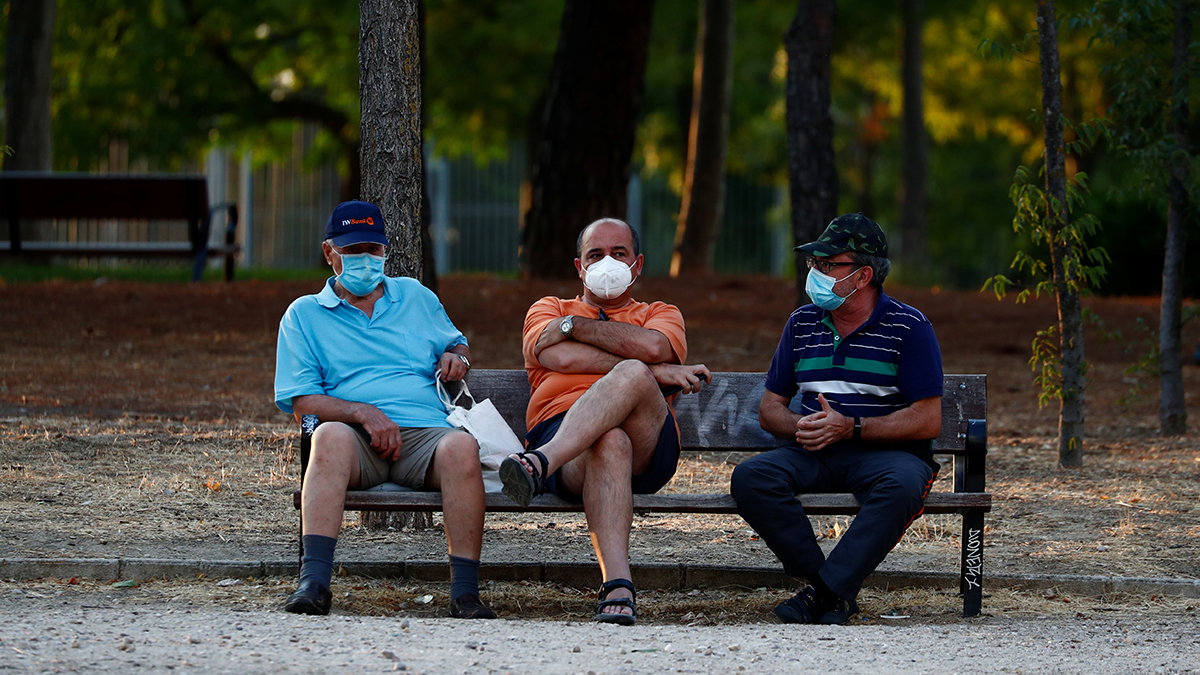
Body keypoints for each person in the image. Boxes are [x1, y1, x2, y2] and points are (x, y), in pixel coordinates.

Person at [274, 200, 495, 619]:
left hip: (424, 433)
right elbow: (302, 402)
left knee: (461, 449)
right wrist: (362, 413)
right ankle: (314, 584)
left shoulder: (415, 296)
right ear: (330, 253)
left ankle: (466, 593)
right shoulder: (303, 315)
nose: (365, 260)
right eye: (353, 250)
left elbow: (456, 342)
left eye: (373, 250)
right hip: (354, 437)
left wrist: (458, 359)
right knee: (326, 436)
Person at [730, 213, 943, 625]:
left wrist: (851, 427)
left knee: (901, 487)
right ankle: (827, 588)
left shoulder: (909, 327)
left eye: (828, 265)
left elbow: (927, 420)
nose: (815, 272)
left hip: (886, 455)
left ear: (863, 276)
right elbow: (770, 408)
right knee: (752, 478)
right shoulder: (801, 322)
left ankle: (822, 593)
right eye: (814, 263)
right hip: (814, 450)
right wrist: (802, 426)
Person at [502, 217, 711, 626]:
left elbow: (654, 344)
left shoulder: (660, 312)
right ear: (579, 267)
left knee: (634, 374)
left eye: (619, 254)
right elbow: (552, 356)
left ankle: (540, 462)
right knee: (609, 437)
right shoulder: (550, 309)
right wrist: (658, 370)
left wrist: (577, 332)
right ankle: (618, 584)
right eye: (595, 255)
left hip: (644, 444)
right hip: (567, 436)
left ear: (638, 265)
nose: (607, 262)